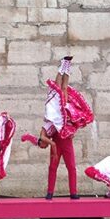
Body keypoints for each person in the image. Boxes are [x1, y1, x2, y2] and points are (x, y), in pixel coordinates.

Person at [22, 57, 94, 199]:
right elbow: (48, 136)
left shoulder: (48, 121)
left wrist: (51, 143)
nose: (43, 145)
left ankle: (63, 66)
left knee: (57, 88)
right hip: (63, 141)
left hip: (58, 119)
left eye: (42, 145)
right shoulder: (49, 126)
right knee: (59, 168)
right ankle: (56, 193)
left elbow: (43, 137)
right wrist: (53, 143)